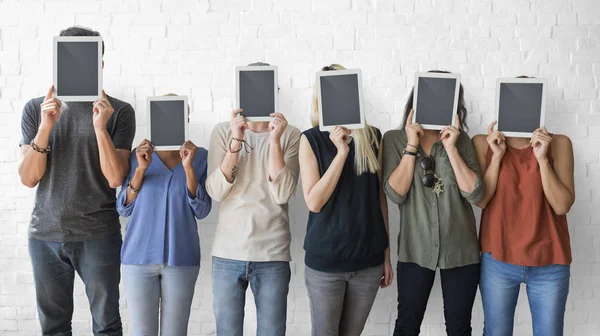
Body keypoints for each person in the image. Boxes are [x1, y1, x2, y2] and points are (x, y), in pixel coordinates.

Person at [18, 26, 135, 336]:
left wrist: (99, 127)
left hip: (98, 234)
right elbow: (29, 178)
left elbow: (116, 178)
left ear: (100, 64)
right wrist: (45, 127)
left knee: (106, 324)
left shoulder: (119, 112)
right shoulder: (35, 109)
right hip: (45, 235)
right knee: (54, 326)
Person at [383, 70, 484, 336]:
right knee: (407, 325)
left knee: (459, 329)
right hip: (415, 250)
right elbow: (395, 194)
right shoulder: (394, 139)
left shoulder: (461, 142)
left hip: (460, 250)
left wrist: (451, 148)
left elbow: (474, 193)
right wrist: (412, 145)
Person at [206, 62, 301, 336]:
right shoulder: (222, 132)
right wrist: (236, 141)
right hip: (227, 253)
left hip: (272, 254)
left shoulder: (290, 135)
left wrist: (274, 140)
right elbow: (215, 191)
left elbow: (283, 193)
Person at [299, 64, 393, 336]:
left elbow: (379, 201)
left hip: (368, 262)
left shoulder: (373, 136)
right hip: (325, 265)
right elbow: (314, 202)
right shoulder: (311, 139)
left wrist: (386, 256)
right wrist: (340, 153)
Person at [117, 95, 211, 336]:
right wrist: (140, 170)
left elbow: (202, 210)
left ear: (186, 119)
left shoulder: (200, 157)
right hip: (138, 258)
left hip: (181, 258)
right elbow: (123, 208)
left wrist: (188, 168)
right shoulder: (136, 155)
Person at [474, 114, 574, 335]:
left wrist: (542, 159)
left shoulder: (559, 144)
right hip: (498, 260)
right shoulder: (484, 143)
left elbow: (561, 206)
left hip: (550, 260)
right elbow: (481, 200)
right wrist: (497, 157)